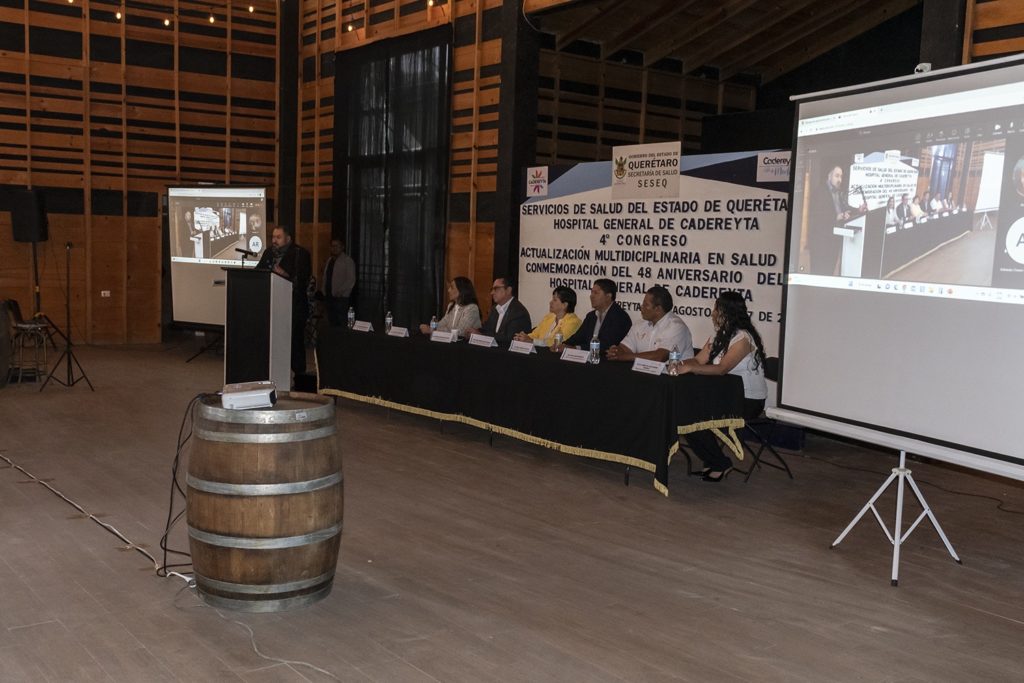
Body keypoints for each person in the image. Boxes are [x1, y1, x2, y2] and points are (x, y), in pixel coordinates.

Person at [676, 291, 768, 482]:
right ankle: (714, 461)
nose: (713, 313)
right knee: (684, 411)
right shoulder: (719, 335)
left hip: (747, 400)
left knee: (691, 415)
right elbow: (698, 360)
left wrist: (691, 368)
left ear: (726, 312)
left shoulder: (743, 338)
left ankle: (719, 463)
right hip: (724, 395)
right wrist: (678, 365)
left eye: (716, 308)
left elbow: (721, 369)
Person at [257, 226, 312, 377]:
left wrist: (284, 274)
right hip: (273, 305)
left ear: (288, 239)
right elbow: (258, 271)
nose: (274, 240)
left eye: (278, 237)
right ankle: (275, 373)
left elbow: (303, 280)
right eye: (273, 237)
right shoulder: (268, 253)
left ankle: (299, 375)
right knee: (274, 342)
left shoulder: (300, 253)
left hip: (294, 307)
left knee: (295, 342)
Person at [606, 286, 692, 363]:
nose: (641, 307)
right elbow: (625, 348)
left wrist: (624, 356)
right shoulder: (640, 323)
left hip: (672, 374)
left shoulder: (676, 326)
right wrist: (616, 351)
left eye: (646, 304)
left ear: (658, 309)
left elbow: (659, 357)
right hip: (643, 373)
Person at [810, 165, 864, 275]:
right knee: (818, 272)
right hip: (821, 241)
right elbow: (817, 215)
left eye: (841, 176)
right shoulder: (819, 192)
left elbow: (845, 208)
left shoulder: (838, 193)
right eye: (837, 176)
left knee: (829, 270)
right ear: (829, 176)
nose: (839, 179)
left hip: (834, 239)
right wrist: (837, 216)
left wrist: (858, 210)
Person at [564, 278, 632, 353]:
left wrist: (577, 348)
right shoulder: (591, 316)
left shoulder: (620, 317)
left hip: (606, 359)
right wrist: (564, 345)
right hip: (588, 357)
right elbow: (578, 337)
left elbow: (607, 345)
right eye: (591, 292)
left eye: (596, 293)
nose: (591, 296)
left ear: (608, 296)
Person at [514, 286, 582, 349]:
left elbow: (556, 343)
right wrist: (523, 338)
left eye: (555, 300)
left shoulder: (574, 322)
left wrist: (532, 341)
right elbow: (536, 334)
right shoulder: (549, 317)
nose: (550, 302)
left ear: (564, 305)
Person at [472, 276, 531, 347]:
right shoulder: (494, 309)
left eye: (496, 289)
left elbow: (509, 338)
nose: (492, 293)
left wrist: (481, 335)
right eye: (492, 289)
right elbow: (487, 329)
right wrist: (475, 331)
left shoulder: (518, 311)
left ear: (508, 290)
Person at [320, 238, 356, 326]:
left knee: (341, 322)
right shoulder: (330, 260)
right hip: (329, 296)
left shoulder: (347, 261)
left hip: (341, 298)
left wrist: (341, 291)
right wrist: (323, 290)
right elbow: (326, 276)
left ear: (342, 247)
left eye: (337, 246)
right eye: (332, 246)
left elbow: (351, 279)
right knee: (331, 321)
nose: (334, 248)